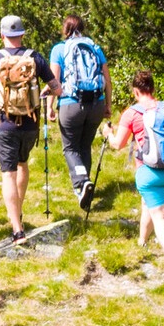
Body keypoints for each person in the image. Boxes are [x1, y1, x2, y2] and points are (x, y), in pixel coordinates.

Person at [0, 15, 56, 241]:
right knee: (22, 164)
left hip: (5, 124)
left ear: (2, 35)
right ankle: (19, 211)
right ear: (22, 34)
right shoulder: (35, 57)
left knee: (8, 173)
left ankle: (17, 229)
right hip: (30, 124)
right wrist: (45, 92)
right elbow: (57, 88)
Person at [106, 70, 164, 278]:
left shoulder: (131, 113)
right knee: (148, 203)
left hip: (149, 175)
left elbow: (118, 144)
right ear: (152, 88)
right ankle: (142, 241)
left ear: (136, 91)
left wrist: (108, 133)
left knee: (160, 215)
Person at [48, 15, 108, 211]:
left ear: (64, 30)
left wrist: (49, 107)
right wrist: (108, 105)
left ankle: (82, 183)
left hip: (70, 104)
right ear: (83, 28)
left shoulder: (59, 49)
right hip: (96, 103)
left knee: (70, 148)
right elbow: (107, 79)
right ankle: (85, 188)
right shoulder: (94, 47)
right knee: (85, 145)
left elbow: (54, 81)